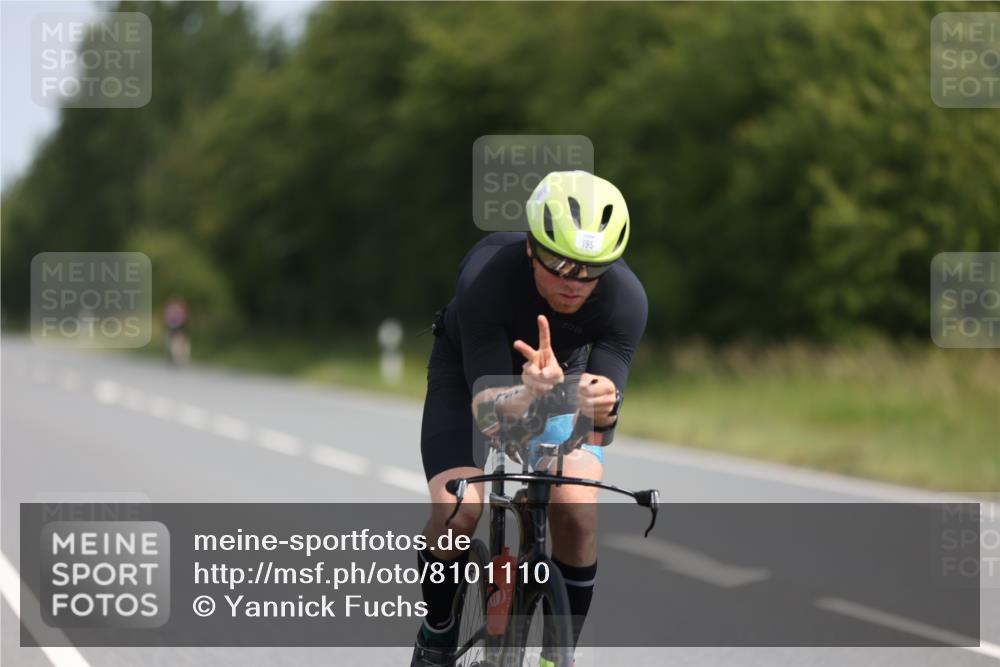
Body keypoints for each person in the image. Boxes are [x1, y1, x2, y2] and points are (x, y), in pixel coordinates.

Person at [412, 171, 648, 666]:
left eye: (591, 269)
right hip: (468, 374)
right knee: (458, 510)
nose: (573, 282)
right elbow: (488, 412)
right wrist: (528, 395)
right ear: (531, 248)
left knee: (576, 504)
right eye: (559, 264)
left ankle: (557, 656)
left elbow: (601, 426)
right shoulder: (486, 275)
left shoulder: (625, 299)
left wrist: (600, 406)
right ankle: (438, 630)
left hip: (561, 377)